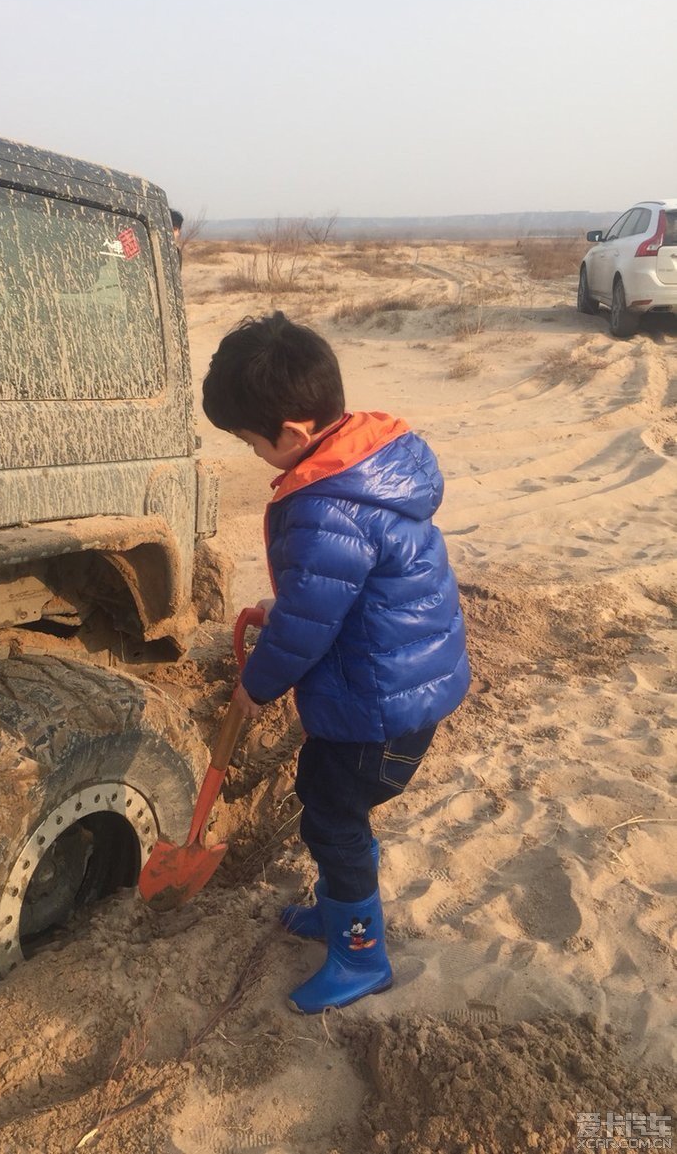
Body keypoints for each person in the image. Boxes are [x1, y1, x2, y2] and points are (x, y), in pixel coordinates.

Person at [201, 312, 470, 1014]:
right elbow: (327, 594)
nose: (252, 451)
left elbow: (307, 626)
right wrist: (288, 603)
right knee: (327, 799)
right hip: (390, 684)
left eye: (250, 440)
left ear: (291, 433)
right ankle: (343, 906)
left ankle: (360, 951)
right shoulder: (364, 462)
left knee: (331, 818)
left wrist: (258, 684)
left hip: (380, 708)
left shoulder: (329, 507)